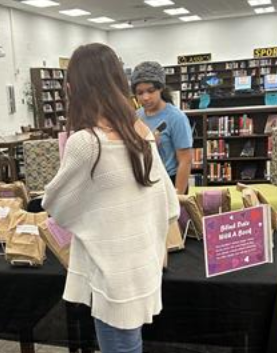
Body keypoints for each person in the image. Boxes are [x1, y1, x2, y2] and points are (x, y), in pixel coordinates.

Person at [42, 43, 179, 353]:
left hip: (112, 273)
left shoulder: (85, 142)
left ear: (74, 86)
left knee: (120, 346)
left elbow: (57, 204)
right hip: (142, 265)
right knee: (130, 343)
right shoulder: (140, 132)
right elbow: (168, 202)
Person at [131, 62, 192, 193]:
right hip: (146, 180)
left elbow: (185, 160)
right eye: (140, 93)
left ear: (161, 88)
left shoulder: (176, 118)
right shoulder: (137, 116)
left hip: (170, 181)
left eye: (151, 91)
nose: (145, 97)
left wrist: (179, 194)